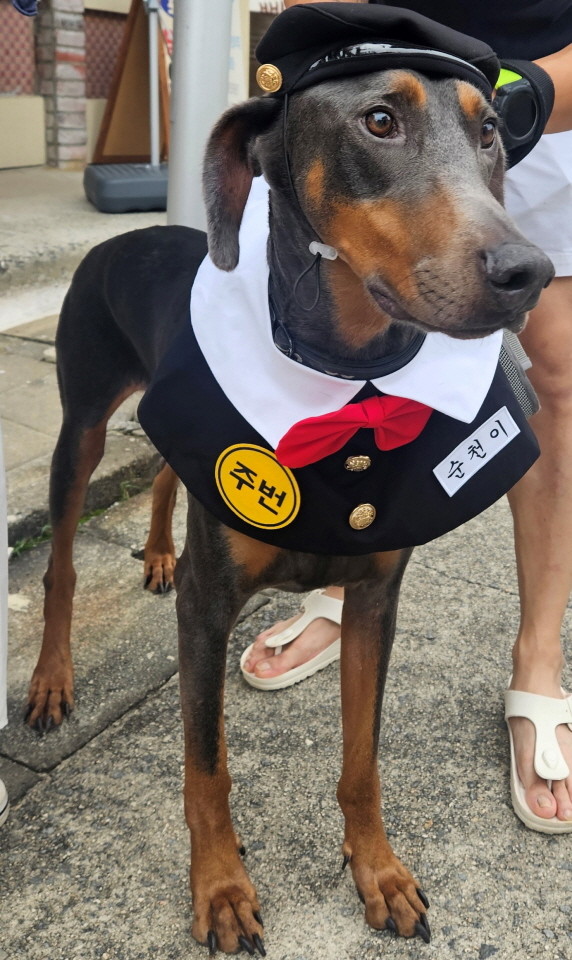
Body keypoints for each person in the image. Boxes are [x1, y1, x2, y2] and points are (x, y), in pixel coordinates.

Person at [241, 0, 572, 831]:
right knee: (339, 346)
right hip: (368, 89)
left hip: (543, 103)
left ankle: (539, 658)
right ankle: (342, 580)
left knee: (558, 376)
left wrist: (522, 98)